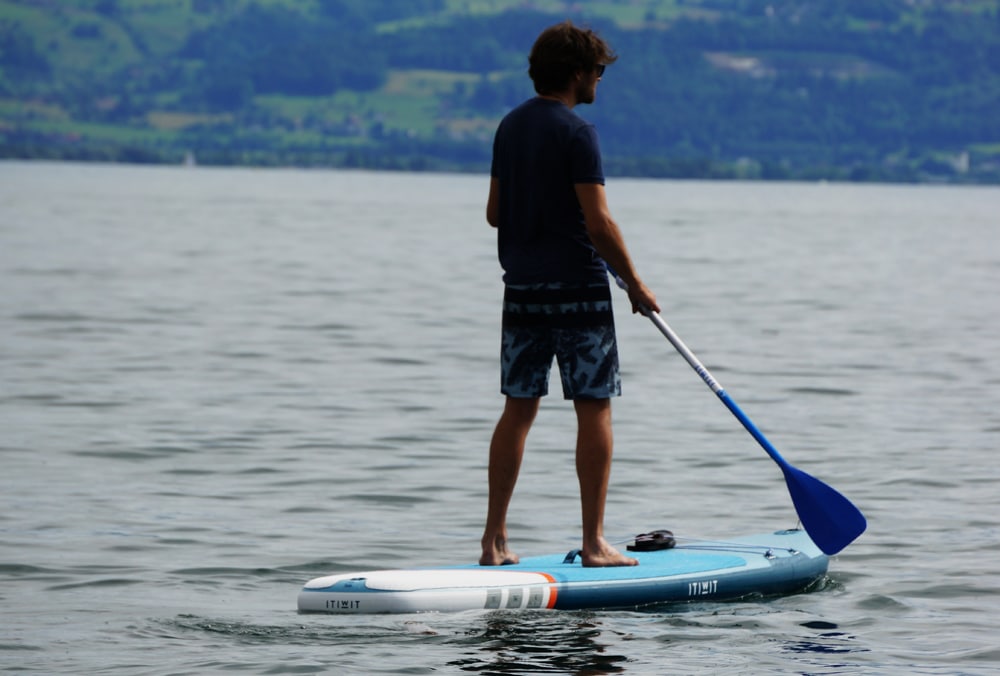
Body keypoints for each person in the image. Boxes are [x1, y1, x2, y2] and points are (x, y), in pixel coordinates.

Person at [480, 21, 660, 568]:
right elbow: (599, 222)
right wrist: (635, 283)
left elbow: (494, 214)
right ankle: (594, 543)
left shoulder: (510, 127)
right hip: (580, 291)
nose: (601, 81)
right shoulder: (579, 134)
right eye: (599, 71)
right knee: (594, 407)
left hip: (523, 291)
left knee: (518, 410)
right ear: (578, 73)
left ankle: (493, 543)